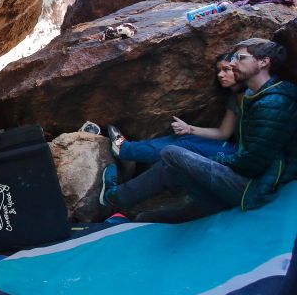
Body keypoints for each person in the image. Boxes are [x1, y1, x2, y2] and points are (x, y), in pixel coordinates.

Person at [100, 38, 297, 220]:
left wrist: (204, 161)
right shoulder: (256, 96)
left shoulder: (273, 103)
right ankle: (115, 198)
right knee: (168, 176)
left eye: (240, 57)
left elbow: (252, 164)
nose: (234, 63)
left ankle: (126, 158)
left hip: (254, 188)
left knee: (173, 153)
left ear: (264, 62)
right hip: (249, 178)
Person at [106, 53, 243, 164]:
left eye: (226, 69)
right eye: (218, 70)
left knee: (183, 146)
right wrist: (190, 128)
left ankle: (125, 151)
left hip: (240, 155)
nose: (219, 75)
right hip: (233, 148)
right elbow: (223, 133)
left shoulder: (251, 94)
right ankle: (130, 149)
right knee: (185, 137)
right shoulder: (234, 97)